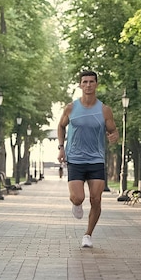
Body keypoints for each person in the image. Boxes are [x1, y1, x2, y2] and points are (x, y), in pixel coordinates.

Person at [57, 70, 119, 248]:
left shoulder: (104, 110)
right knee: (77, 198)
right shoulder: (71, 108)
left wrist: (114, 136)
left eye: (92, 81)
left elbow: (113, 130)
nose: (88, 85)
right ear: (80, 85)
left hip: (96, 160)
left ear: (96, 84)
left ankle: (88, 234)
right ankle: (76, 205)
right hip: (75, 158)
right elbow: (61, 126)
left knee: (96, 199)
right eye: (85, 82)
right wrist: (61, 148)